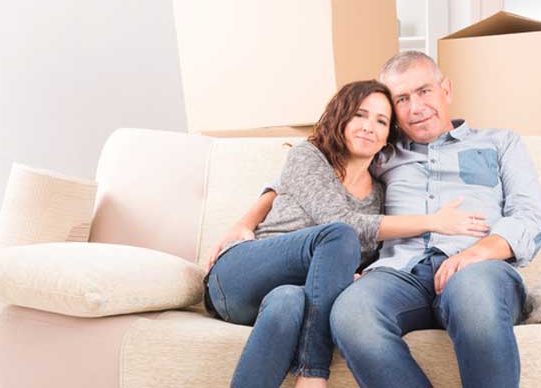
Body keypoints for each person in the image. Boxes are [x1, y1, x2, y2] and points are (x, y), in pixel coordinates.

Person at [204, 80, 490, 388]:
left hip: (290, 294)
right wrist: (432, 221)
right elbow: (338, 223)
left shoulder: (381, 195)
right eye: (359, 115)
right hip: (239, 275)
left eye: (381, 121)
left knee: (287, 300)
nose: (369, 126)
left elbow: (370, 254)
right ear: (340, 118)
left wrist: (351, 274)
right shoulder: (309, 157)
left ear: (387, 137)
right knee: (339, 234)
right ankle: (313, 373)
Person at [329, 51, 541, 388]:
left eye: (424, 91)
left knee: (473, 295)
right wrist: (254, 212)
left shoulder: (500, 142)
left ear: (446, 90)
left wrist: (475, 253)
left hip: (480, 270)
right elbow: (319, 166)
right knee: (351, 311)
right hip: (399, 274)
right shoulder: (380, 153)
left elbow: (531, 216)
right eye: (401, 99)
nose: (416, 107)